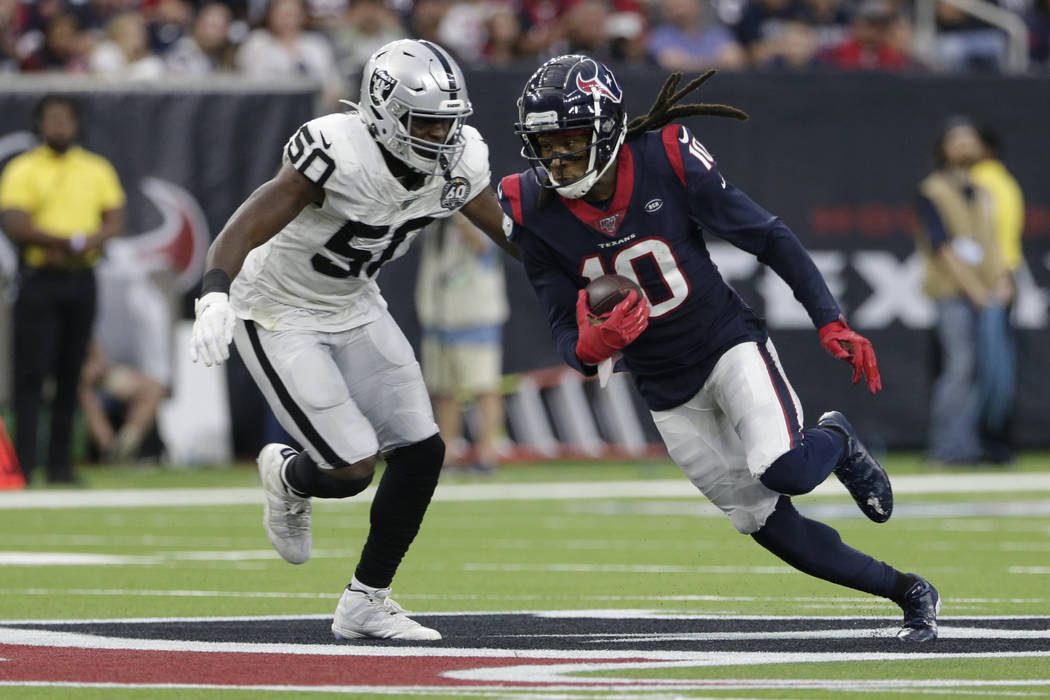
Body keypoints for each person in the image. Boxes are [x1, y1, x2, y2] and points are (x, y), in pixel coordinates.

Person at [499, 55, 940, 642]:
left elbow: (766, 234)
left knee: (784, 468)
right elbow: (562, 328)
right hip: (664, 388)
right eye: (544, 144)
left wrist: (829, 319)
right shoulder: (531, 209)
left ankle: (836, 437)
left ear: (606, 129)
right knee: (765, 524)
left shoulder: (665, 157)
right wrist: (591, 346)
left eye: (570, 140)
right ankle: (908, 590)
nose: (556, 158)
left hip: (725, 344)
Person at [189, 39, 516, 641]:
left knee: (423, 450)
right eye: (424, 121)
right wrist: (214, 290)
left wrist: (585, 274)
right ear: (384, 109)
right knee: (351, 469)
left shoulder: (460, 159)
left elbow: (508, 232)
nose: (440, 136)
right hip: (277, 309)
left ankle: (367, 600)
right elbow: (253, 216)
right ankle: (289, 478)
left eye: (448, 123)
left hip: (355, 304)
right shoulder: (338, 148)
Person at [0, 95, 126, 484]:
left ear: (75, 124)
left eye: (65, 119)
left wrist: (84, 244)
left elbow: (115, 219)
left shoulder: (95, 167)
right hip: (39, 279)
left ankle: (59, 465)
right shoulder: (23, 168)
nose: (59, 126)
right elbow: (15, 223)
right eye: (52, 119)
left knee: (72, 373)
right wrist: (67, 242)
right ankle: (23, 464)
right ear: (40, 125)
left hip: (80, 279)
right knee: (31, 375)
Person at [916, 117, 1010, 466]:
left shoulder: (984, 191)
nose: (965, 146)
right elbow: (942, 247)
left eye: (970, 140)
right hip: (952, 292)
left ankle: (967, 445)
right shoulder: (933, 189)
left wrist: (1001, 279)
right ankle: (946, 447)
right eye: (957, 140)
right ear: (943, 148)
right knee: (959, 366)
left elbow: (992, 240)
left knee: (980, 370)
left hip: (985, 292)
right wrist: (974, 289)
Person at [414, 213, 509, 472]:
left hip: (475, 318)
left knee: (484, 387)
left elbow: (483, 246)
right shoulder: (436, 223)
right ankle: (446, 453)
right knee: (444, 390)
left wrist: (461, 212)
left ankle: (488, 452)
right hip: (438, 319)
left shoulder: (482, 216)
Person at [970, 124, 1024, 464]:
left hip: (991, 281)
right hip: (1003, 276)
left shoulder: (983, 181)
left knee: (991, 367)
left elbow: (993, 235)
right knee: (996, 363)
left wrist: (1000, 276)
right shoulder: (1004, 180)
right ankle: (994, 438)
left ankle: (991, 440)